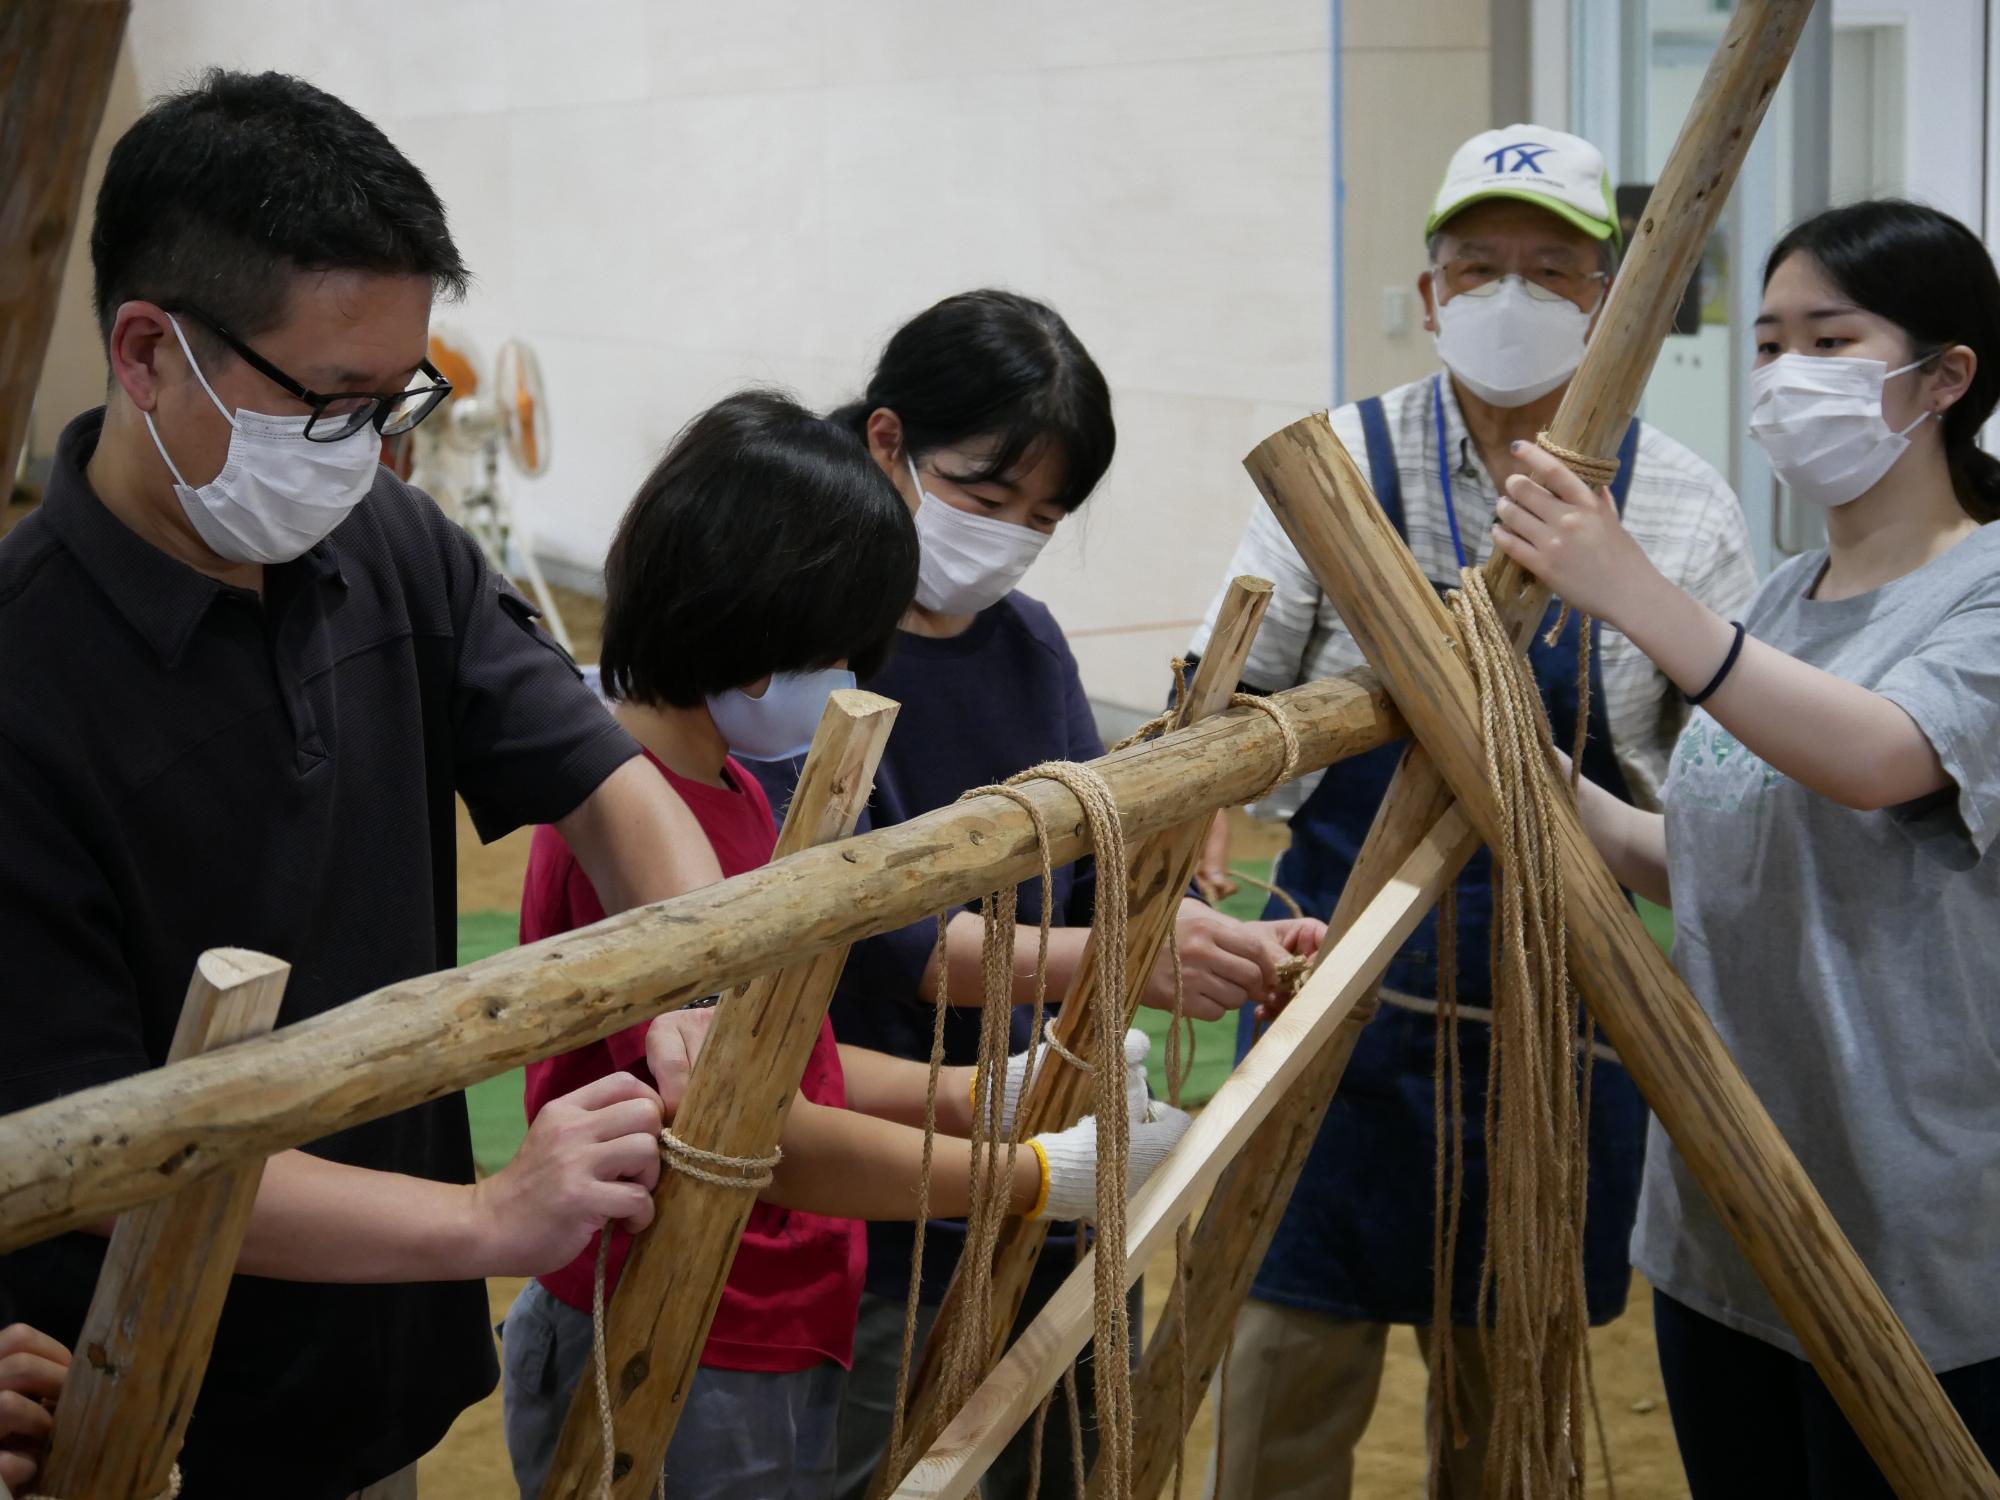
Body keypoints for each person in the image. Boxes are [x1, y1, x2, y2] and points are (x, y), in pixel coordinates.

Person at [0, 72, 727, 1499]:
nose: (379, 449)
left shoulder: (388, 544)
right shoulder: (27, 681)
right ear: (148, 353)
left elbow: (609, 786)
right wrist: (487, 1216)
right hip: (132, 1409)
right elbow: (103, 1146)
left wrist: (692, 975)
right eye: (334, 400)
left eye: (399, 396)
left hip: (378, 1365)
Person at [1190, 125, 1758, 1499]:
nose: (1513, 298)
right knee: (1280, 1377)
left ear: (1611, 297)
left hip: (1558, 1020)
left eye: (1552, 272)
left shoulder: (1680, 510)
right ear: (1432, 294)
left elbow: (1723, 791)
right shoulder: (1332, 470)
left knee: (1514, 1418)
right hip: (1332, 995)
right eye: (1479, 268)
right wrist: (1192, 852)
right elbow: (1221, 706)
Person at [498, 391, 1190, 1499]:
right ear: (754, 623)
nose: (850, 685)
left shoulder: (732, 794)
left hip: (771, 1311)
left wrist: (978, 1091)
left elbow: (789, 1056)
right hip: (673, 1320)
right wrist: (1019, 1176)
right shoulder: (623, 834)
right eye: (838, 649)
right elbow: (741, 1128)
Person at [746, 290, 1324, 1499]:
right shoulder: (803, 668)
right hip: (877, 1187)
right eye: (982, 496)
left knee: (1067, 1457)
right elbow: (895, 943)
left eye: (1042, 516)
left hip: (1053, 1152)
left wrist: (1190, 939)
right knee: (890, 1459)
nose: (1007, 535)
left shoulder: (1027, 643)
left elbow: (1091, 880)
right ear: (885, 442)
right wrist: (1123, 960)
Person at [1491, 197, 2000, 1496]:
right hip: (1727, 1210)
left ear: (1947, 376)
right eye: (1768, 343)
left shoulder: (1984, 591)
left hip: (1914, 1234)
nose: (1784, 379)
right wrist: (1529, 773)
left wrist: (1633, 592)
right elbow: (1711, 855)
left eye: (1830, 341)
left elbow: (1880, 758)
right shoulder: (1782, 602)